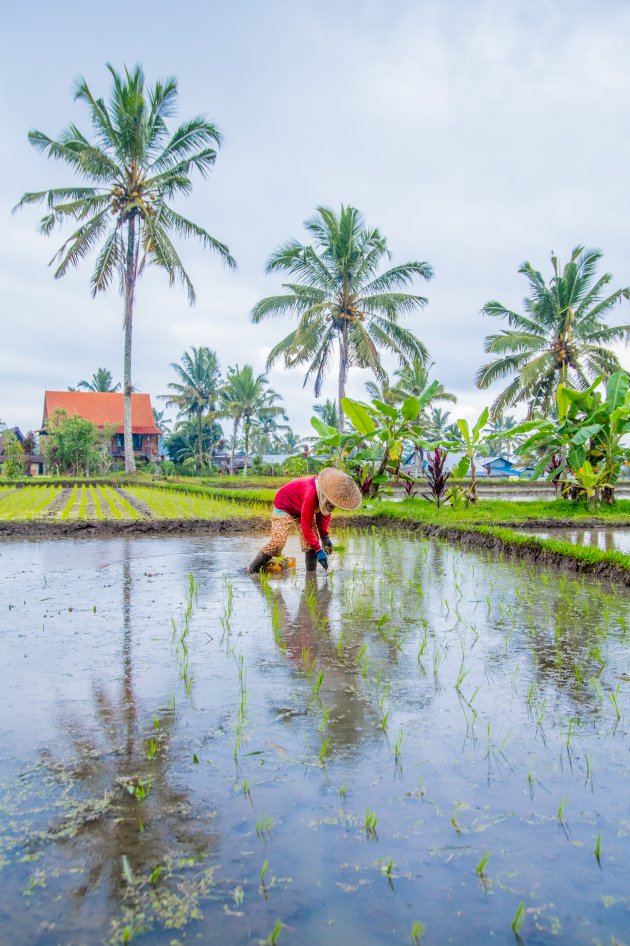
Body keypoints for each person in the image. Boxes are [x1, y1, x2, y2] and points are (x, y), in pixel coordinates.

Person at [246, 467, 362, 573]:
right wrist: (319, 550)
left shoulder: (327, 498)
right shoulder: (311, 493)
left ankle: (311, 575)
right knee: (278, 542)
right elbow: (306, 526)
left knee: (311, 543)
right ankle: (252, 568)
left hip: (302, 506)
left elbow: (323, 516)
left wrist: (325, 537)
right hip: (285, 505)